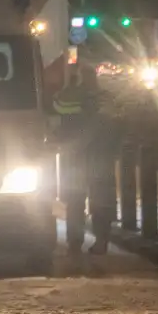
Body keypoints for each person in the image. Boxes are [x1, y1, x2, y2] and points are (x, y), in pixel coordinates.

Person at [53, 61, 112, 254]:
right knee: (101, 202)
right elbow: (117, 123)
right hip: (101, 156)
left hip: (76, 156)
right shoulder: (106, 98)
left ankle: (75, 242)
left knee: (76, 201)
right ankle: (102, 242)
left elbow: (56, 106)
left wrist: (69, 86)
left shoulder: (71, 96)